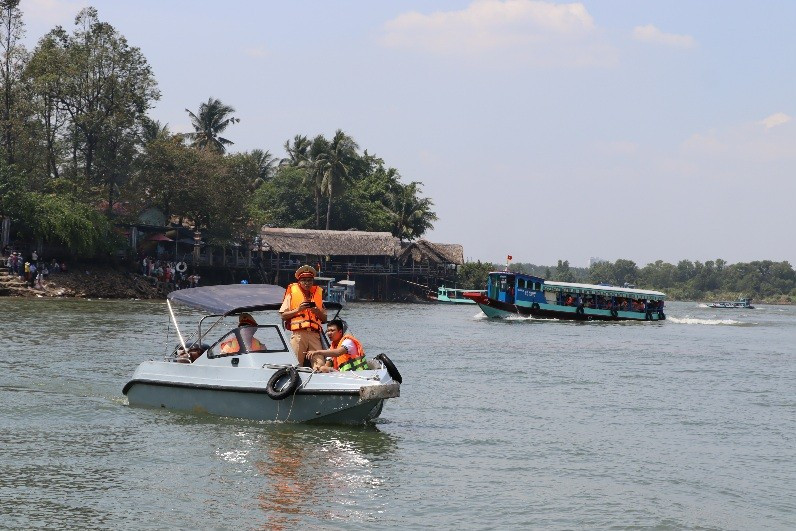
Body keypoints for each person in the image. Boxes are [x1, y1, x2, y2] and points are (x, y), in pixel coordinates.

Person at [279, 265, 326, 365]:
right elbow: (283, 315)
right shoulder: (292, 293)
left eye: (309, 280)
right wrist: (298, 310)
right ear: (299, 281)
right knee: (296, 365)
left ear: (313, 281)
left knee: (320, 364)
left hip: (314, 335)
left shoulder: (317, 294)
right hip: (298, 334)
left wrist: (317, 311)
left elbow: (325, 319)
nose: (307, 283)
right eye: (304, 280)